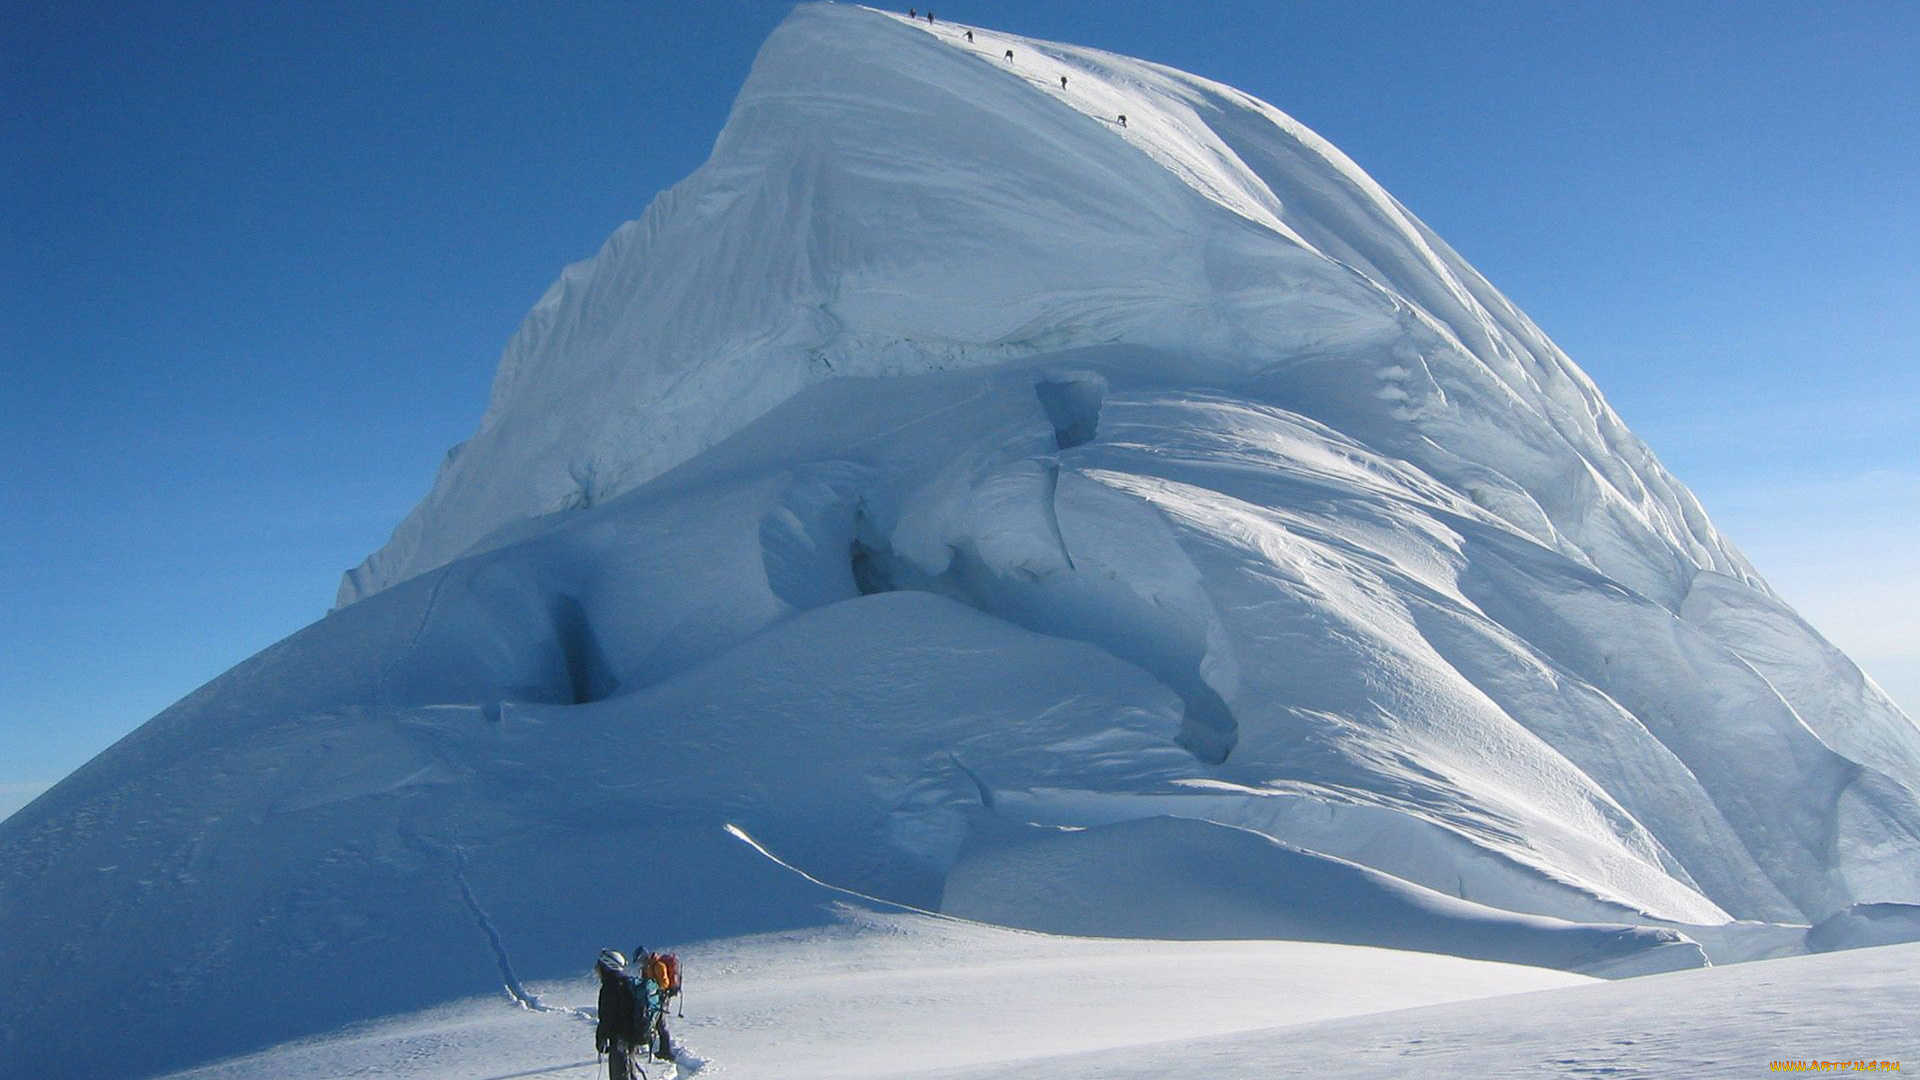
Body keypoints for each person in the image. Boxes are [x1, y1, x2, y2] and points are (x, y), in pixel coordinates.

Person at [595, 950, 639, 1080]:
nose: (596, 969)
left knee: (620, 1074)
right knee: (629, 1070)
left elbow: (607, 1016)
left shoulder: (611, 986)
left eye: (599, 965)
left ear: (606, 966)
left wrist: (601, 1038)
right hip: (631, 1035)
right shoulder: (625, 982)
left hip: (620, 1036)